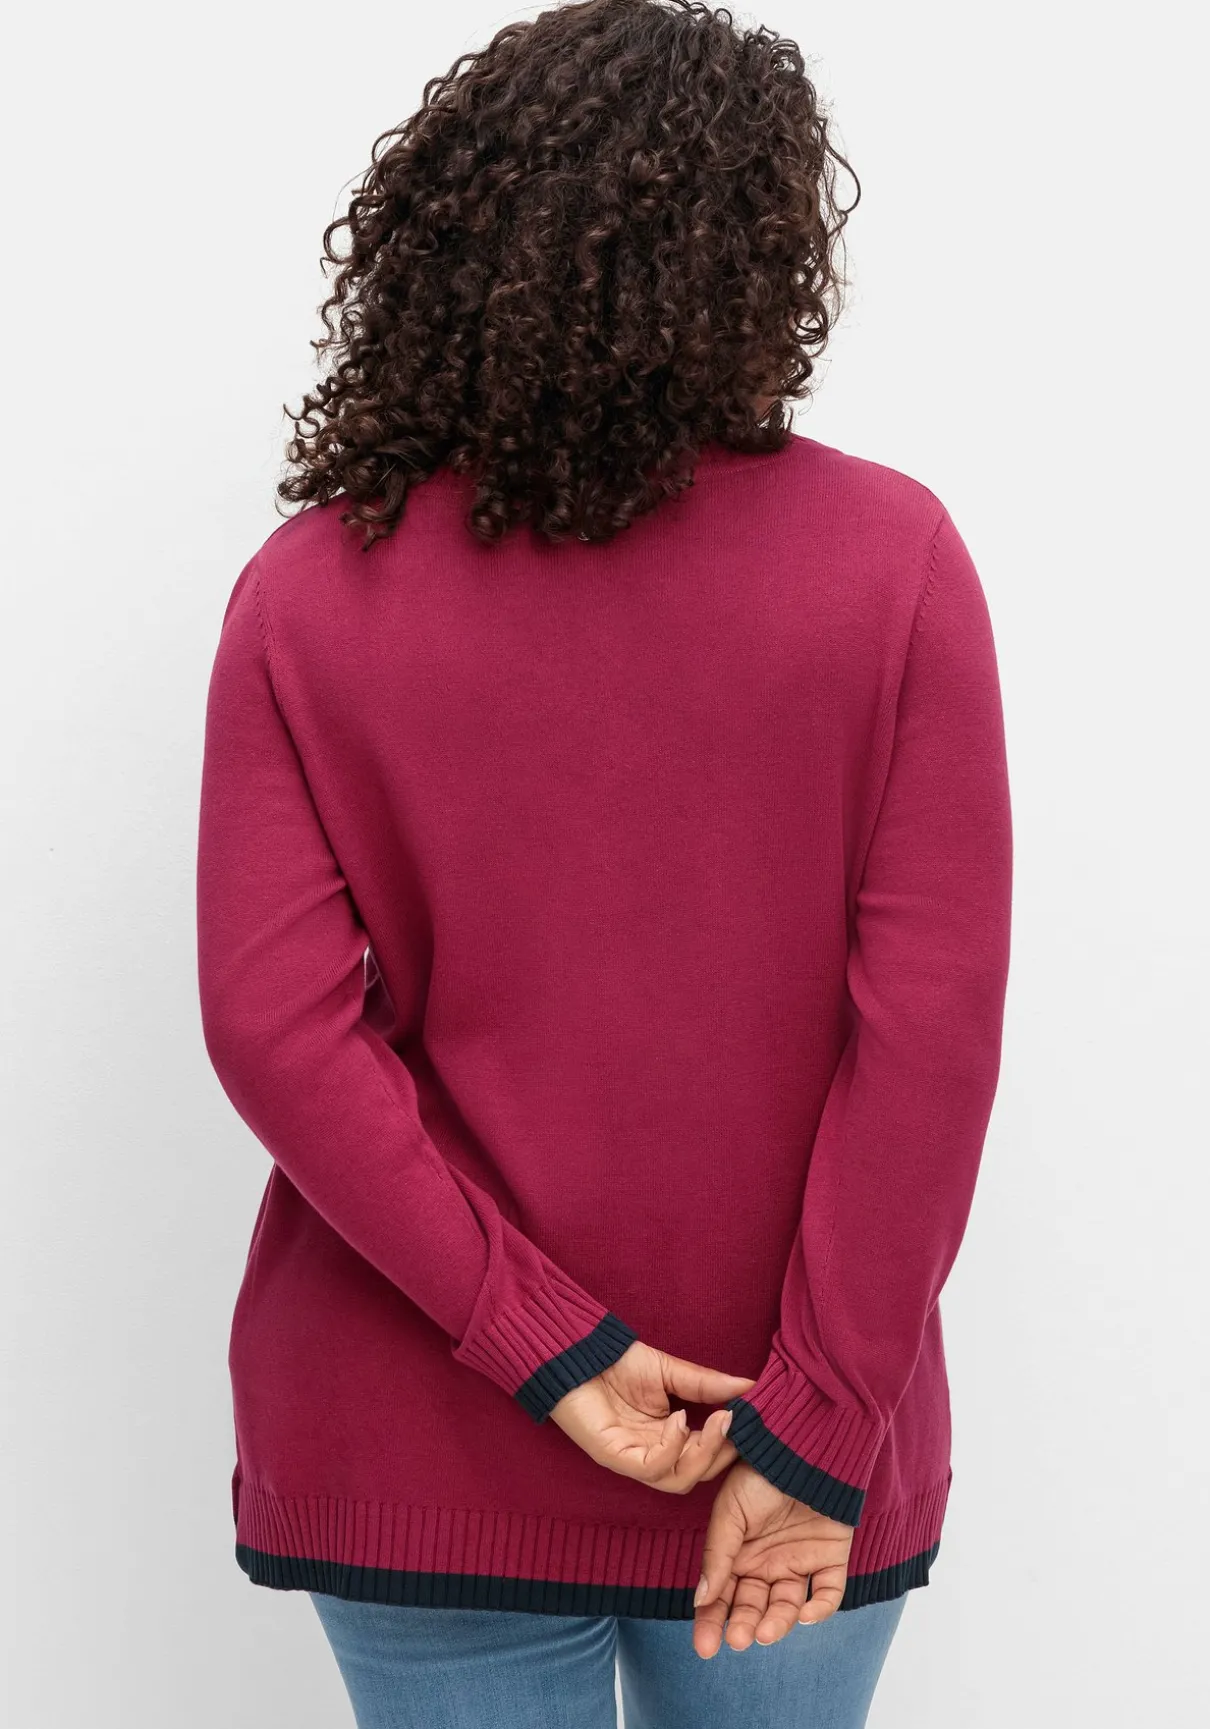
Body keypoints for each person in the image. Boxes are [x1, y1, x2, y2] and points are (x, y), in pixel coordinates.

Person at [194, 1, 1013, 1723]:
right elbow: (925, 1041)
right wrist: (821, 1415)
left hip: (423, 1412)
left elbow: (278, 1034)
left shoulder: (312, 588)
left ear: (446, 236)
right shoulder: (891, 563)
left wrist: (546, 1350)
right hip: (785, 1447)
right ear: (762, 255)